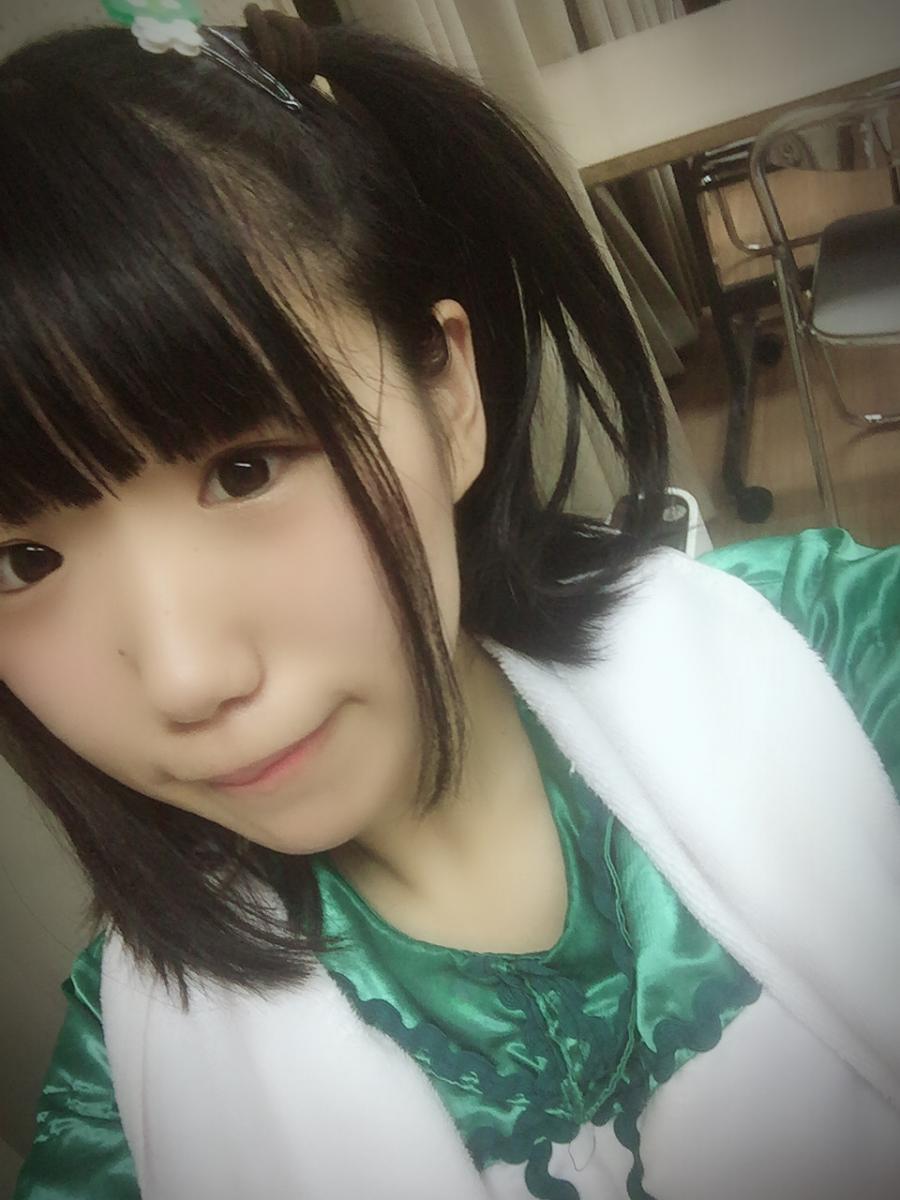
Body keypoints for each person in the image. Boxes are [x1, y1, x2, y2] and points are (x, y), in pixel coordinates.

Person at [2, 5, 898, 1199]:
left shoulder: (838, 659)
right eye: (22, 561)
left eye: (247, 469)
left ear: (451, 396)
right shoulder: (130, 1080)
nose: (185, 676)